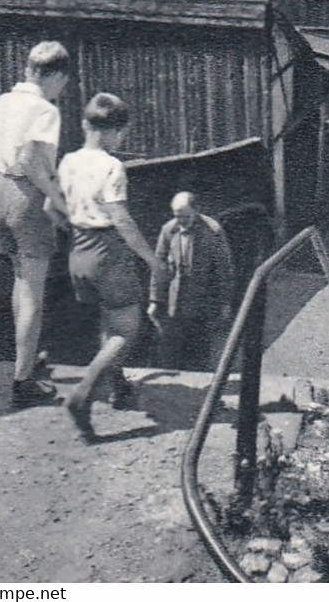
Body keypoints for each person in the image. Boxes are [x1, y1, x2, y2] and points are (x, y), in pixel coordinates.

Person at [0, 41, 70, 408]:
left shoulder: (1, 103)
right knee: (33, 292)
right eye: (62, 83)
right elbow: (30, 161)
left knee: (20, 280)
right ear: (56, 76)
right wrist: (58, 199)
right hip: (26, 198)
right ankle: (23, 380)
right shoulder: (45, 110)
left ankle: (26, 360)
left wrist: (4, 155)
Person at [58, 93, 160, 440]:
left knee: (109, 316)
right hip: (107, 251)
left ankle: (118, 387)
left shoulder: (68, 161)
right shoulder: (112, 167)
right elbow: (122, 219)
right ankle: (83, 393)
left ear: (85, 124)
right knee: (127, 330)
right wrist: (152, 259)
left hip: (78, 250)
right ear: (118, 132)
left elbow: (51, 207)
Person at [147, 192, 235, 371]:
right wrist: (155, 300)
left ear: (196, 211)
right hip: (175, 303)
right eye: (177, 216)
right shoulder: (168, 230)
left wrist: (225, 303)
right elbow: (159, 266)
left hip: (202, 303)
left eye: (185, 216)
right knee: (170, 353)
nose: (181, 222)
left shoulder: (213, 231)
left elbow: (224, 271)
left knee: (199, 353)